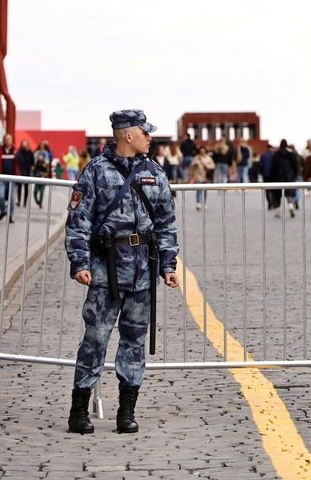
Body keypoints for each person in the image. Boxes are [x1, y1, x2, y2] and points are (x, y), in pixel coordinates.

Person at [65, 109, 179, 435]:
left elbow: (166, 223)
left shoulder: (153, 173)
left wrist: (168, 265)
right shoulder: (96, 173)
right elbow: (79, 222)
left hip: (143, 271)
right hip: (105, 270)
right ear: (128, 135)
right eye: (145, 132)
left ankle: (126, 412)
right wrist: (80, 263)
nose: (149, 137)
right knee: (95, 339)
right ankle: (79, 409)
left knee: (133, 341)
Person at [0, 133, 18, 223]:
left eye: (9, 139)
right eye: (6, 139)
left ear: (12, 140)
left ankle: (10, 216)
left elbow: (19, 164)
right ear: (3, 140)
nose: (8, 141)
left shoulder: (15, 151)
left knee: (12, 199)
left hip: (13, 179)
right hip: (1, 178)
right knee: (0, 196)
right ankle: (3, 211)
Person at [270, 139, 300, 218]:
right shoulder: (291, 154)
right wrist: (294, 175)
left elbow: (273, 167)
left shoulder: (276, 154)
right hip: (289, 178)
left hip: (278, 178)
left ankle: (277, 212)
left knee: (277, 196)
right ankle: (291, 207)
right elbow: (295, 166)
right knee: (289, 195)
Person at [188, 146, 215, 210]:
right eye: (201, 151)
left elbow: (212, 166)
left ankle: (204, 203)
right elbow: (192, 165)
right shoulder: (197, 157)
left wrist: (205, 164)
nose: (202, 152)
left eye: (203, 151)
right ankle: (198, 203)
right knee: (198, 189)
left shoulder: (209, 158)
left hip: (206, 176)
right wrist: (195, 164)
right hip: (198, 176)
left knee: (205, 190)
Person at [15, 139, 34, 207]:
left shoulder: (30, 152)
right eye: (23, 143)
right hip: (20, 172)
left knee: (26, 188)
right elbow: (16, 160)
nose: (24, 145)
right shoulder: (19, 152)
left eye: (25, 143)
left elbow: (32, 162)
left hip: (27, 172)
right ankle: (19, 201)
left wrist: (31, 170)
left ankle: (25, 202)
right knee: (19, 187)